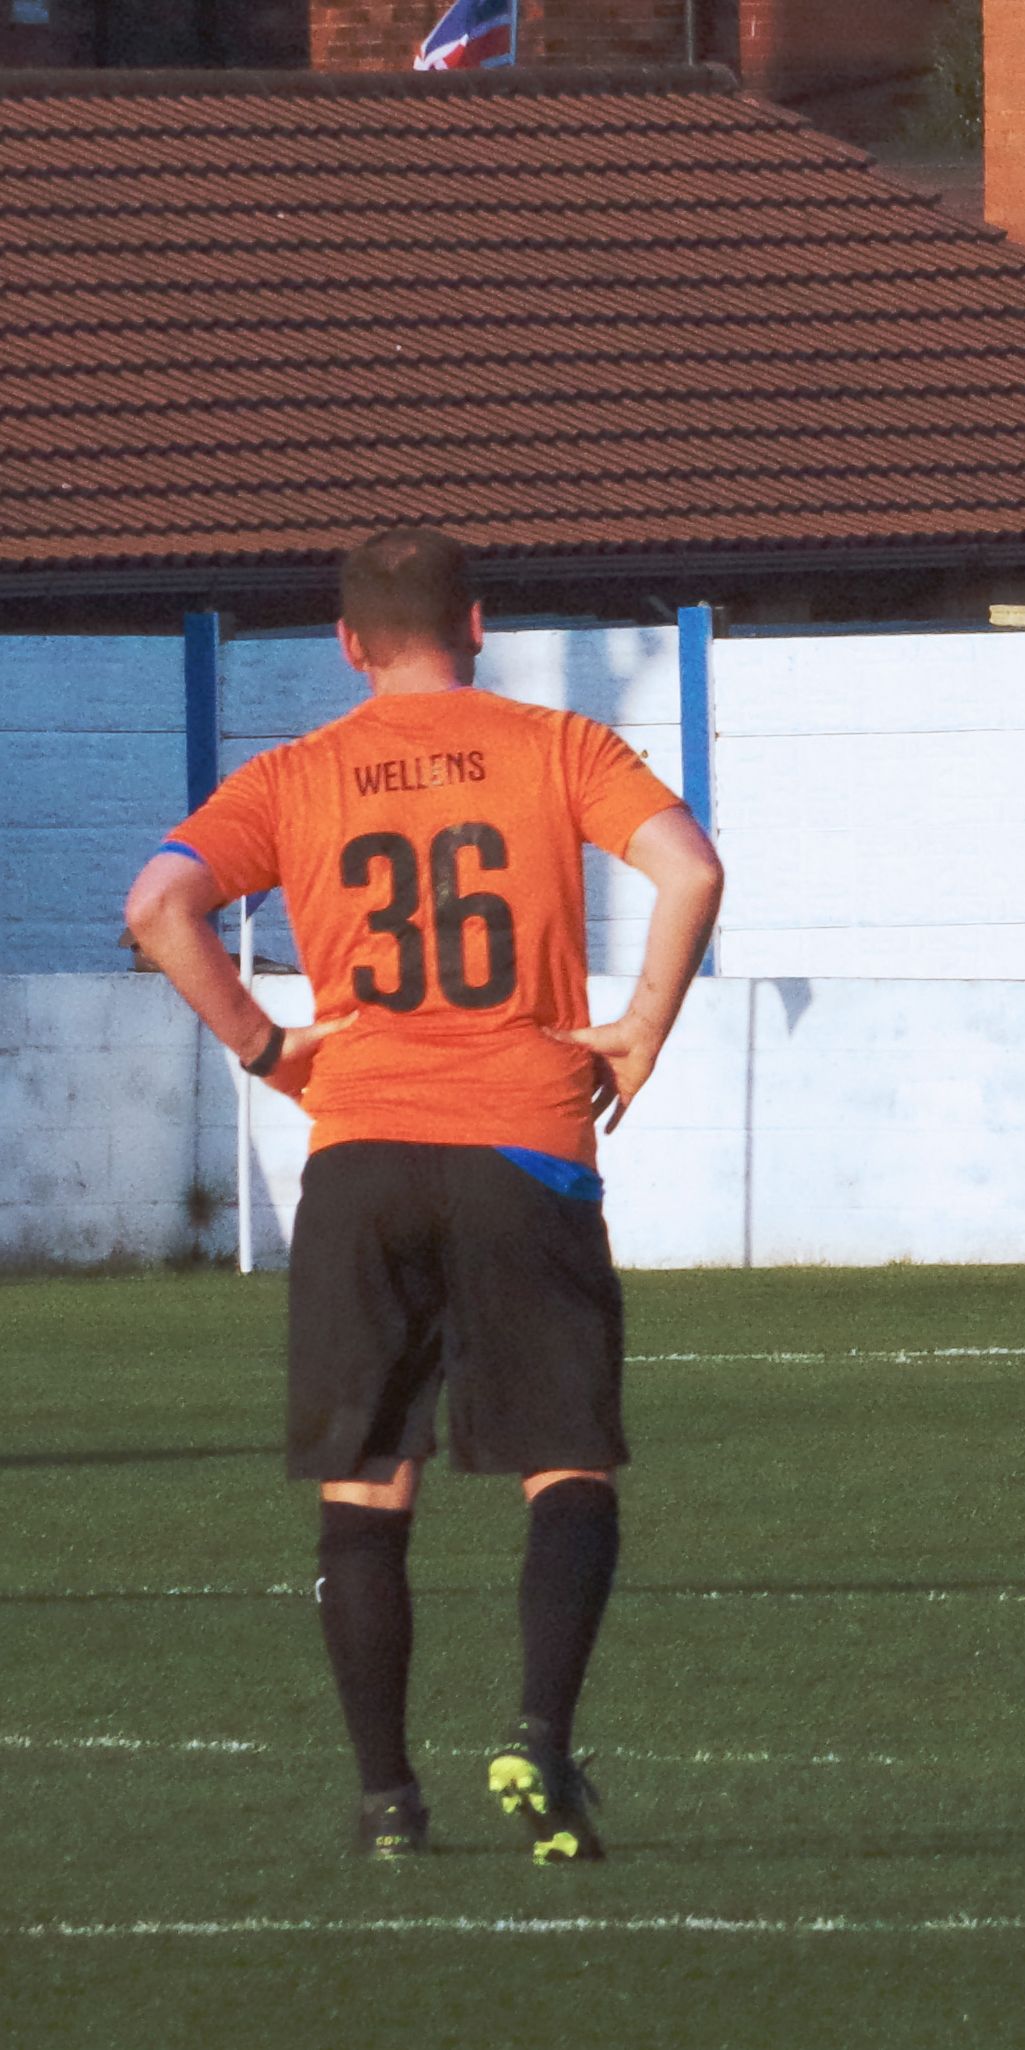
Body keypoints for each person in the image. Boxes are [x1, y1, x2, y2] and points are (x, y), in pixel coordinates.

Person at [122, 528, 726, 1861]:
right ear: (478, 623)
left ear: (347, 643)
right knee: (565, 1461)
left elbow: (160, 903)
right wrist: (640, 1028)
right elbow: (691, 869)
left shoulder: (293, 773)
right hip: (526, 1143)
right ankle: (540, 1742)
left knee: (364, 1484)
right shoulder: (558, 746)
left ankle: (388, 1798)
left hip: (363, 1150)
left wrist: (267, 1046)